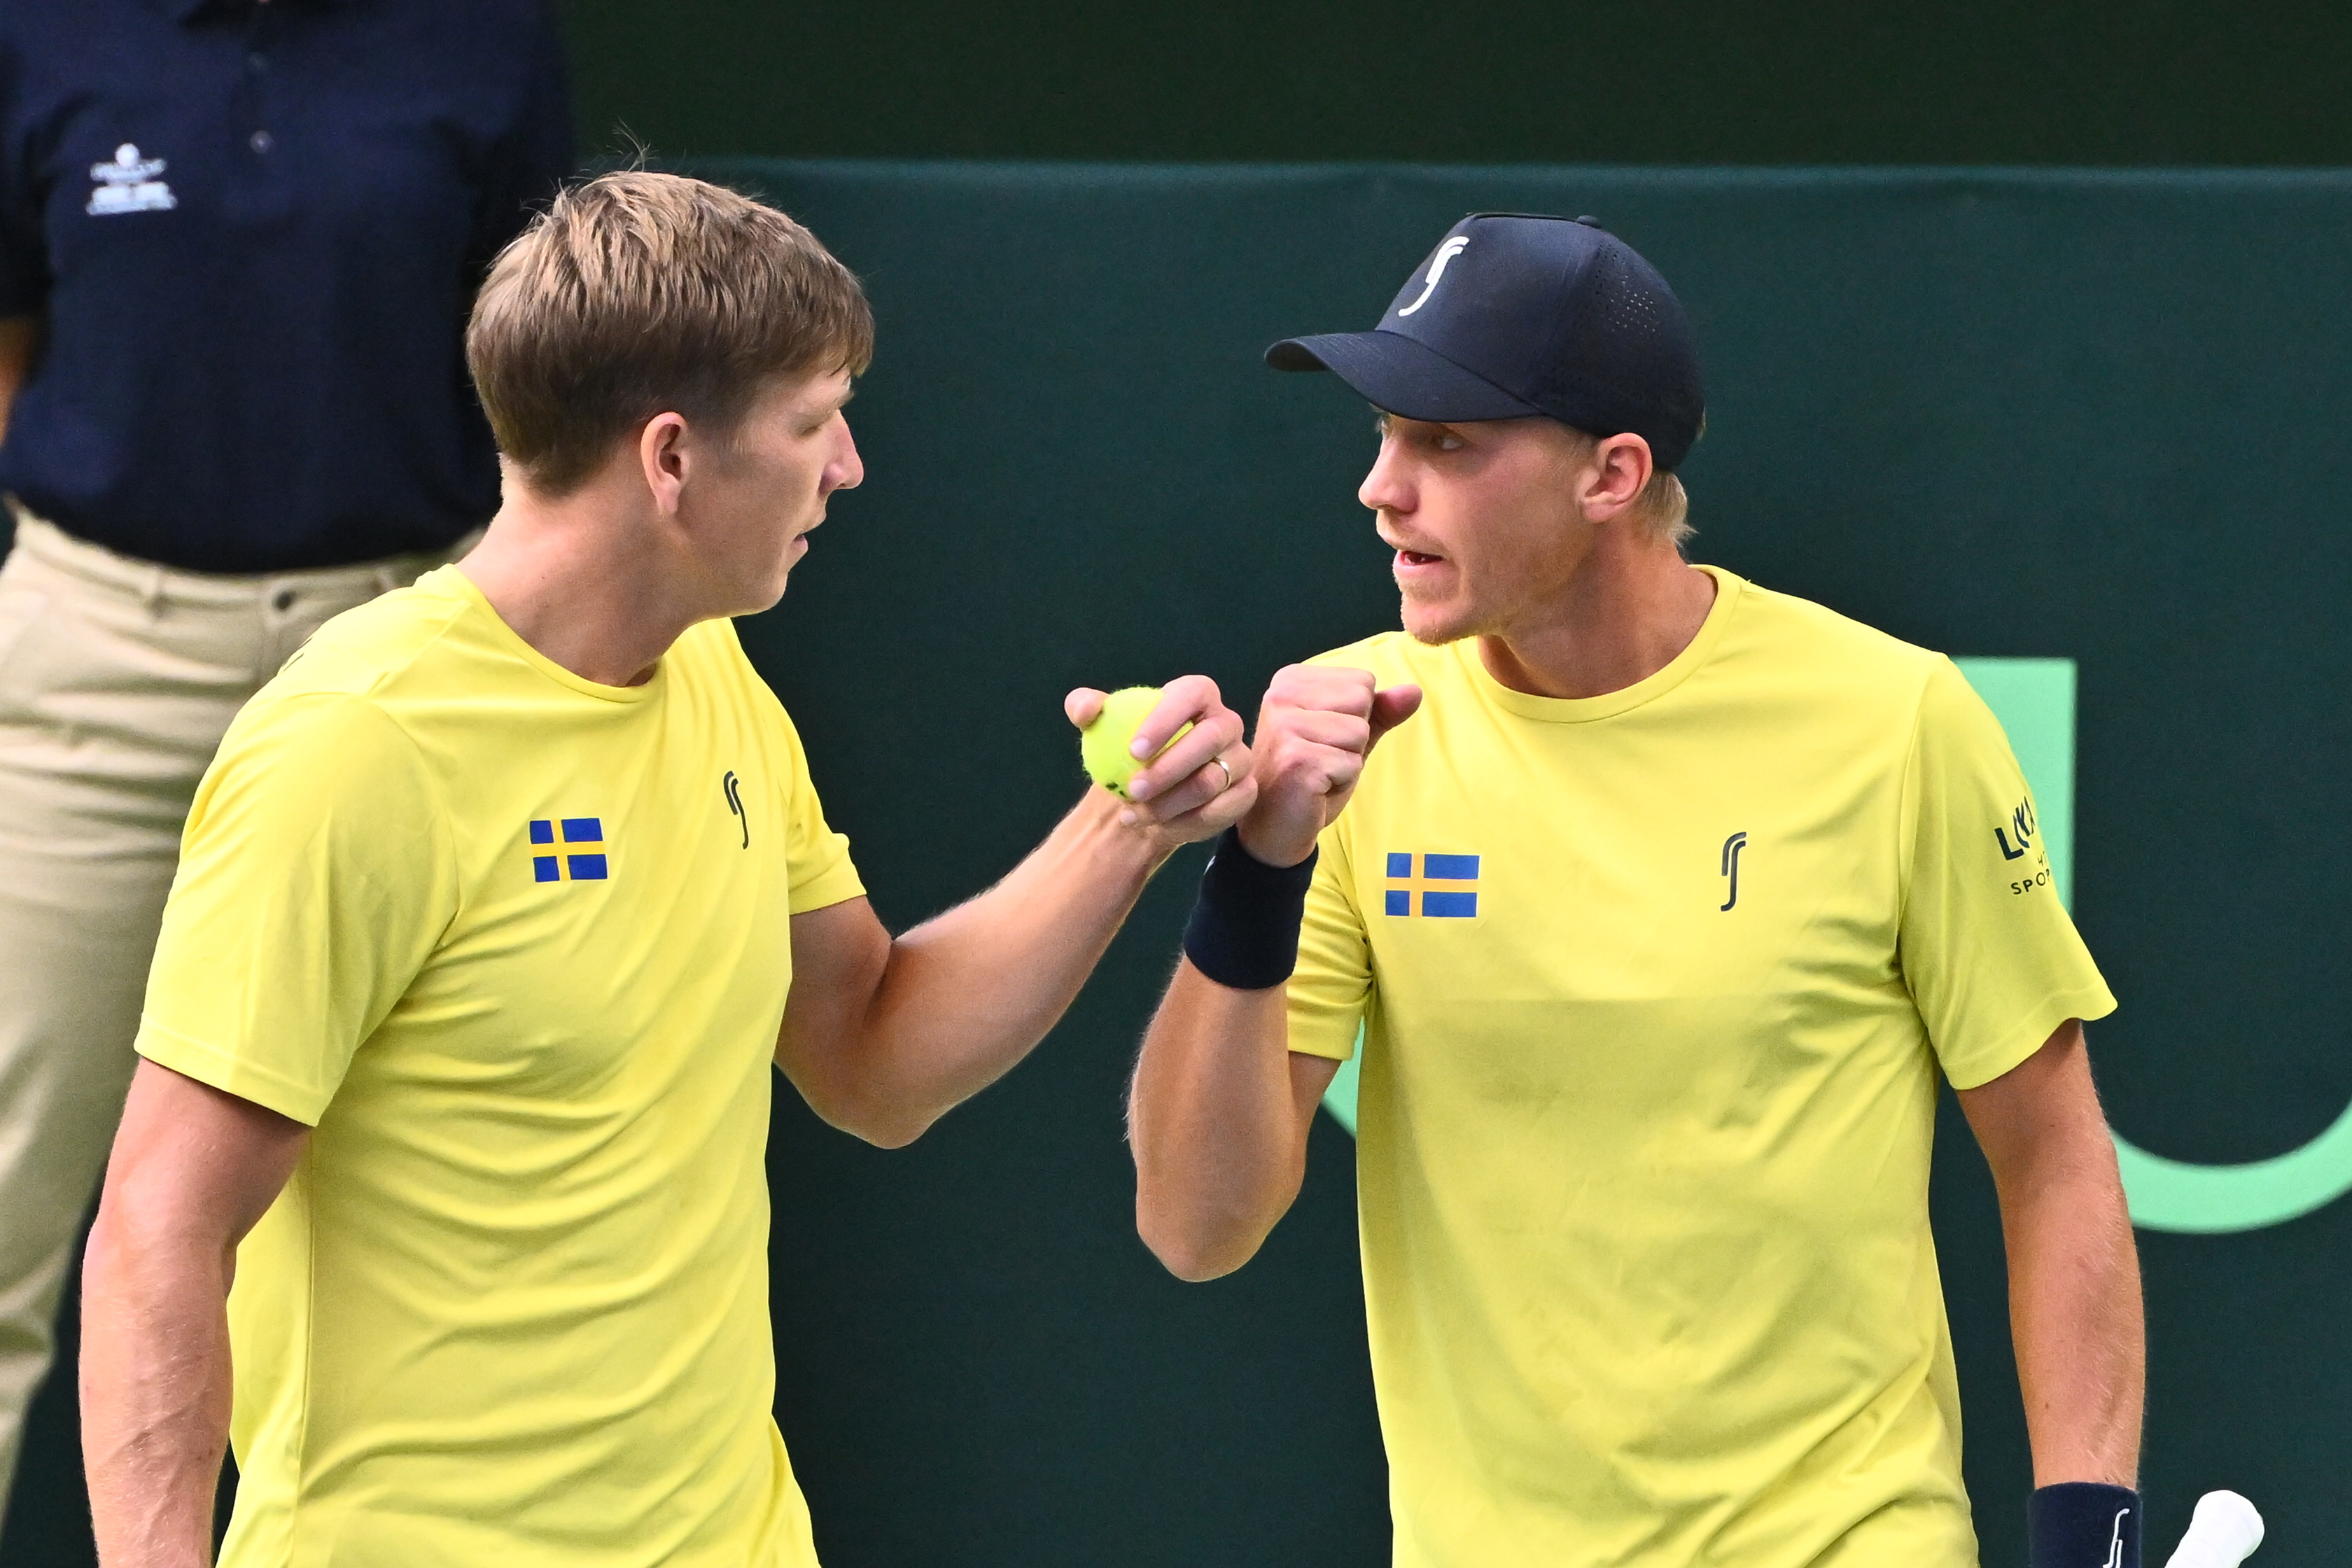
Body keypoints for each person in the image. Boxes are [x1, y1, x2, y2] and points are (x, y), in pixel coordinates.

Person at [78, 171, 1254, 1567]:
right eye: (815, 425)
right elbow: (160, 1225)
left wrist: (1127, 826)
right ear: (673, 459)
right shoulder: (356, 748)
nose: (849, 468)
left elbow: (871, 1055)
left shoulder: (716, 678)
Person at [1124, 214, 2147, 1566]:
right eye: (1382, 435)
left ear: (1612, 474)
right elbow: (1198, 1227)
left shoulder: (1897, 721)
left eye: (1446, 442)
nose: (1382, 488)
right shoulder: (1355, 746)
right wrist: (1259, 871)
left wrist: (2093, 1535)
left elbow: (2054, 1157)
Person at [0, 0, 573, 1502]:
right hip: (97, 659)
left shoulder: (485, 36)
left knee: (445, 1217)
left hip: (406, 659)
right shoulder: (39, 30)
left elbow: (544, 375)